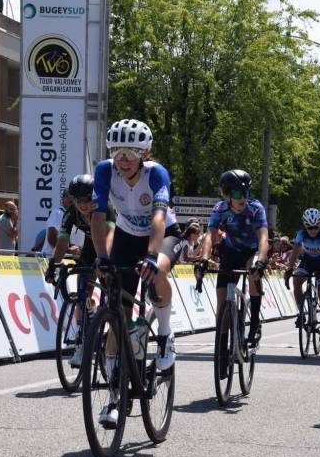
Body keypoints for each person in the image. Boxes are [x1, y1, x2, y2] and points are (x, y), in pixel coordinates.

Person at [89, 119, 184, 426]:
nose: (123, 159)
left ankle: (165, 335)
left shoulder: (156, 173)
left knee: (158, 274)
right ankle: (114, 398)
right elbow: (98, 217)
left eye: (131, 152)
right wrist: (102, 257)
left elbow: (158, 219)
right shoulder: (104, 171)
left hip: (163, 234)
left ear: (145, 154)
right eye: (117, 151)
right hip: (127, 236)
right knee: (117, 313)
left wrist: (153, 257)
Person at [196, 169, 270, 363]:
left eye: (246, 193)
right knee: (222, 304)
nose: (242, 198)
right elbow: (210, 237)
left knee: (253, 270)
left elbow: (264, 239)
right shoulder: (220, 209)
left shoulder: (255, 208)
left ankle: (255, 322)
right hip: (230, 252)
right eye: (237, 194)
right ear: (226, 195)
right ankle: (221, 348)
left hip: (252, 252)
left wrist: (261, 262)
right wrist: (204, 259)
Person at [45, 174, 116, 366]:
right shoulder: (70, 214)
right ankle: (81, 341)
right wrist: (54, 264)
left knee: (112, 293)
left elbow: (109, 235)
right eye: (78, 200)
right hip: (90, 248)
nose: (82, 205)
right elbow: (62, 242)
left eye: (86, 199)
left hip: (111, 246)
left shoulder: (105, 208)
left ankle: (112, 325)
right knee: (82, 293)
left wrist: (103, 260)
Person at [288, 208, 320, 337]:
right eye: (309, 227)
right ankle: (301, 312)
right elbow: (295, 252)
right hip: (307, 261)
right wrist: (289, 269)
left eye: (315, 227)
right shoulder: (301, 233)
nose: (313, 230)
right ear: (305, 226)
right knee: (296, 281)